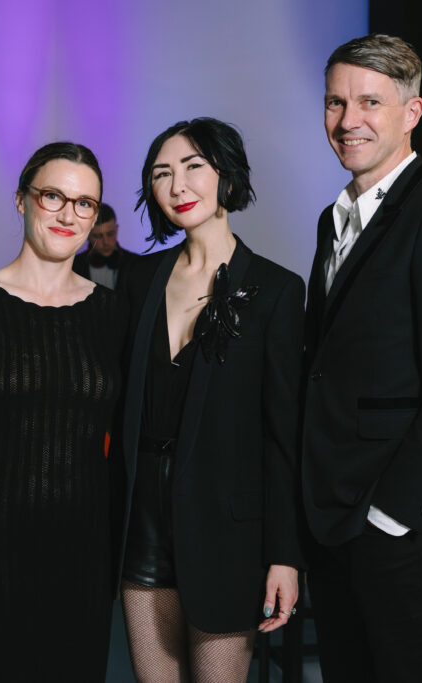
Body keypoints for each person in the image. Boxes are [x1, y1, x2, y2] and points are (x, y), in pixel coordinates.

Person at [301, 34, 422, 683]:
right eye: (335, 101)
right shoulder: (334, 220)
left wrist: (390, 518)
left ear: (411, 113)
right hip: (332, 520)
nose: (347, 119)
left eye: (369, 101)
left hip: (396, 530)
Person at [0, 142, 124, 681]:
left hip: (84, 558)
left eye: (85, 203)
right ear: (21, 200)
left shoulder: (113, 315)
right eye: (53, 195)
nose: (68, 214)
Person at [118, 117, 304, 681]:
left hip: (228, 532)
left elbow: (282, 434)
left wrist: (285, 554)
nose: (178, 186)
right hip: (141, 524)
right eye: (161, 173)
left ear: (226, 174)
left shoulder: (276, 290)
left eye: (194, 166)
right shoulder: (138, 279)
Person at [72, 202, 135, 289]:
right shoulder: (73, 267)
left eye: (110, 234)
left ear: (116, 230)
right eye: (98, 236)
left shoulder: (135, 264)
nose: (106, 242)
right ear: (87, 235)